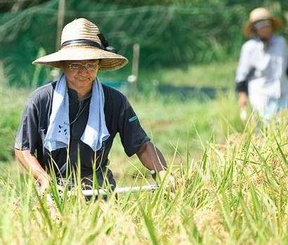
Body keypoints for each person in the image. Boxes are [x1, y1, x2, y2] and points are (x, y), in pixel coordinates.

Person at [14, 18, 174, 195]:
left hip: (98, 187)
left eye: (90, 64)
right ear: (63, 65)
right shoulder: (41, 100)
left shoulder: (115, 101)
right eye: (75, 64)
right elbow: (23, 149)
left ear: (99, 65)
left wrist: (162, 173)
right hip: (54, 189)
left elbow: (141, 145)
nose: (83, 71)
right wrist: (44, 179)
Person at [235, 7, 288, 125]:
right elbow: (242, 75)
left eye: (266, 24)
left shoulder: (280, 43)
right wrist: (242, 96)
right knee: (266, 127)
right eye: (260, 25)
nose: (264, 28)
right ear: (254, 28)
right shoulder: (249, 48)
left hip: (283, 92)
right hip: (261, 94)